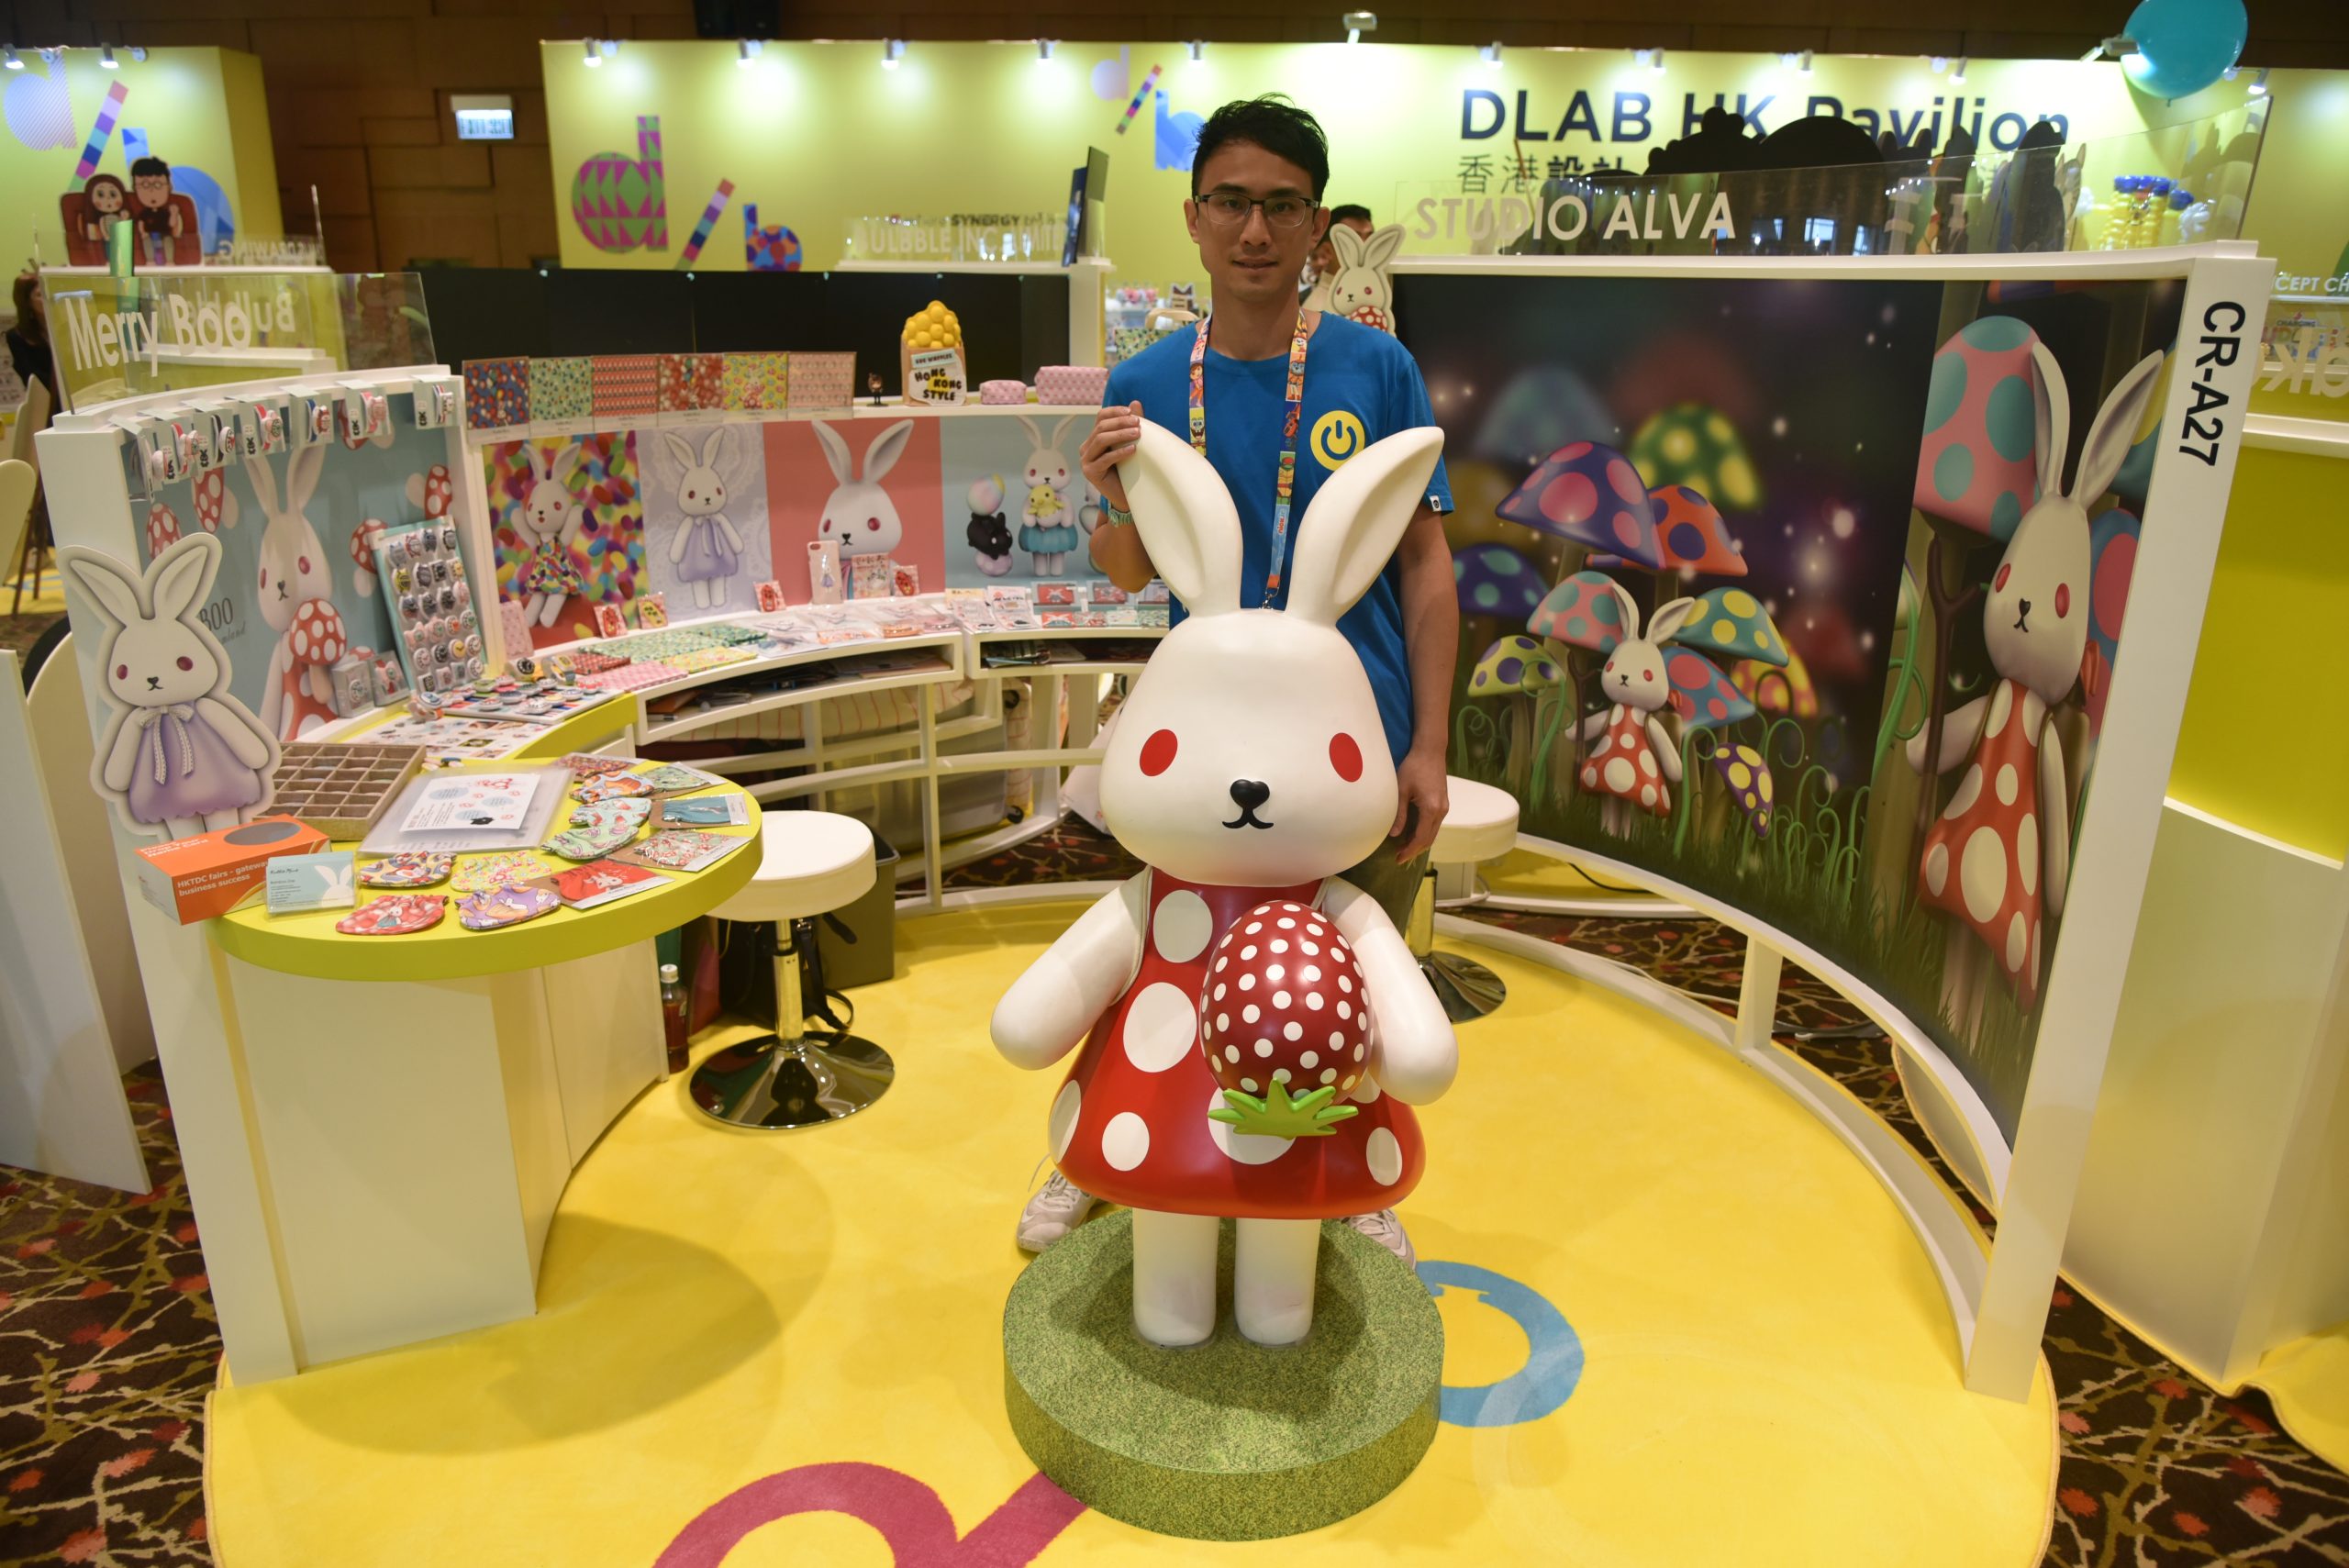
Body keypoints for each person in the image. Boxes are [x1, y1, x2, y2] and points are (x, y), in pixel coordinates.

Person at [1019, 97, 1457, 1265]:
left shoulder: (1377, 368)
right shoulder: (1148, 380)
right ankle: (1091, 1148)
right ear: (1194, 216)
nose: (1254, 230)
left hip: (1348, 747)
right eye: (1231, 202)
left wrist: (1428, 746)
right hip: (1200, 750)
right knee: (1163, 951)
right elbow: (1129, 570)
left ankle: (1346, 1171)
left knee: (1345, 973)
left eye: (1281, 205)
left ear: (1317, 223)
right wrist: (1109, 495)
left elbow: (1424, 568)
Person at [1303, 203, 1374, 312]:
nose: (1366, 248)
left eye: (1371, 239)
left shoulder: (1373, 295)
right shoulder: (1318, 311)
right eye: (1354, 240)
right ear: (1328, 251)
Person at [8, 272, 55, 412]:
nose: (47, 298)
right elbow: (31, 375)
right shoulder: (16, 336)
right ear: (27, 302)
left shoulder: (61, 327)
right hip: (44, 405)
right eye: (40, 295)